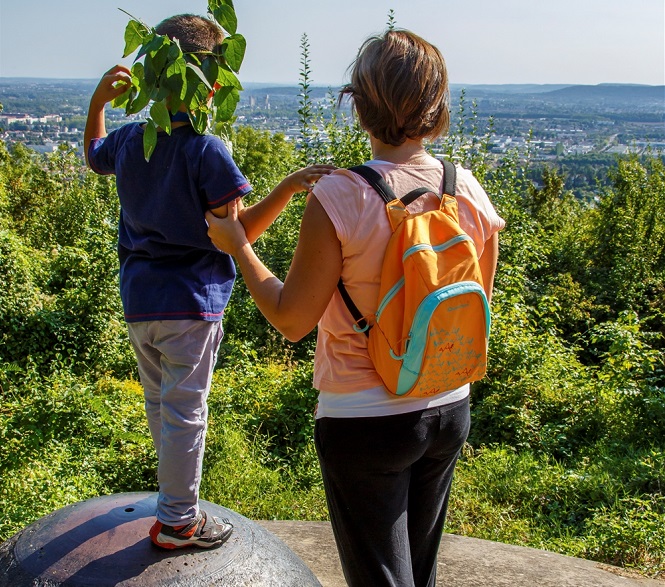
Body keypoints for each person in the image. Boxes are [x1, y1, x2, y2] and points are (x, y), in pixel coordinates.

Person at [206, 29, 505, 586]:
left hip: (365, 418)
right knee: (420, 574)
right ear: (437, 107)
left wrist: (239, 248)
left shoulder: (340, 196)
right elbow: (474, 301)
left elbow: (292, 320)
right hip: (448, 404)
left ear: (359, 106)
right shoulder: (467, 188)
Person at [84, 13, 334, 550]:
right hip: (191, 305)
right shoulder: (206, 150)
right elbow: (233, 231)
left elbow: (92, 155)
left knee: (162, 407)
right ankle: (179, 522)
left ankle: (171, 501)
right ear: (212, 82)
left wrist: (97, 104)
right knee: (186, 413)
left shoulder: (132, 141)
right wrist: (288, 188)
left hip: (140, 303)